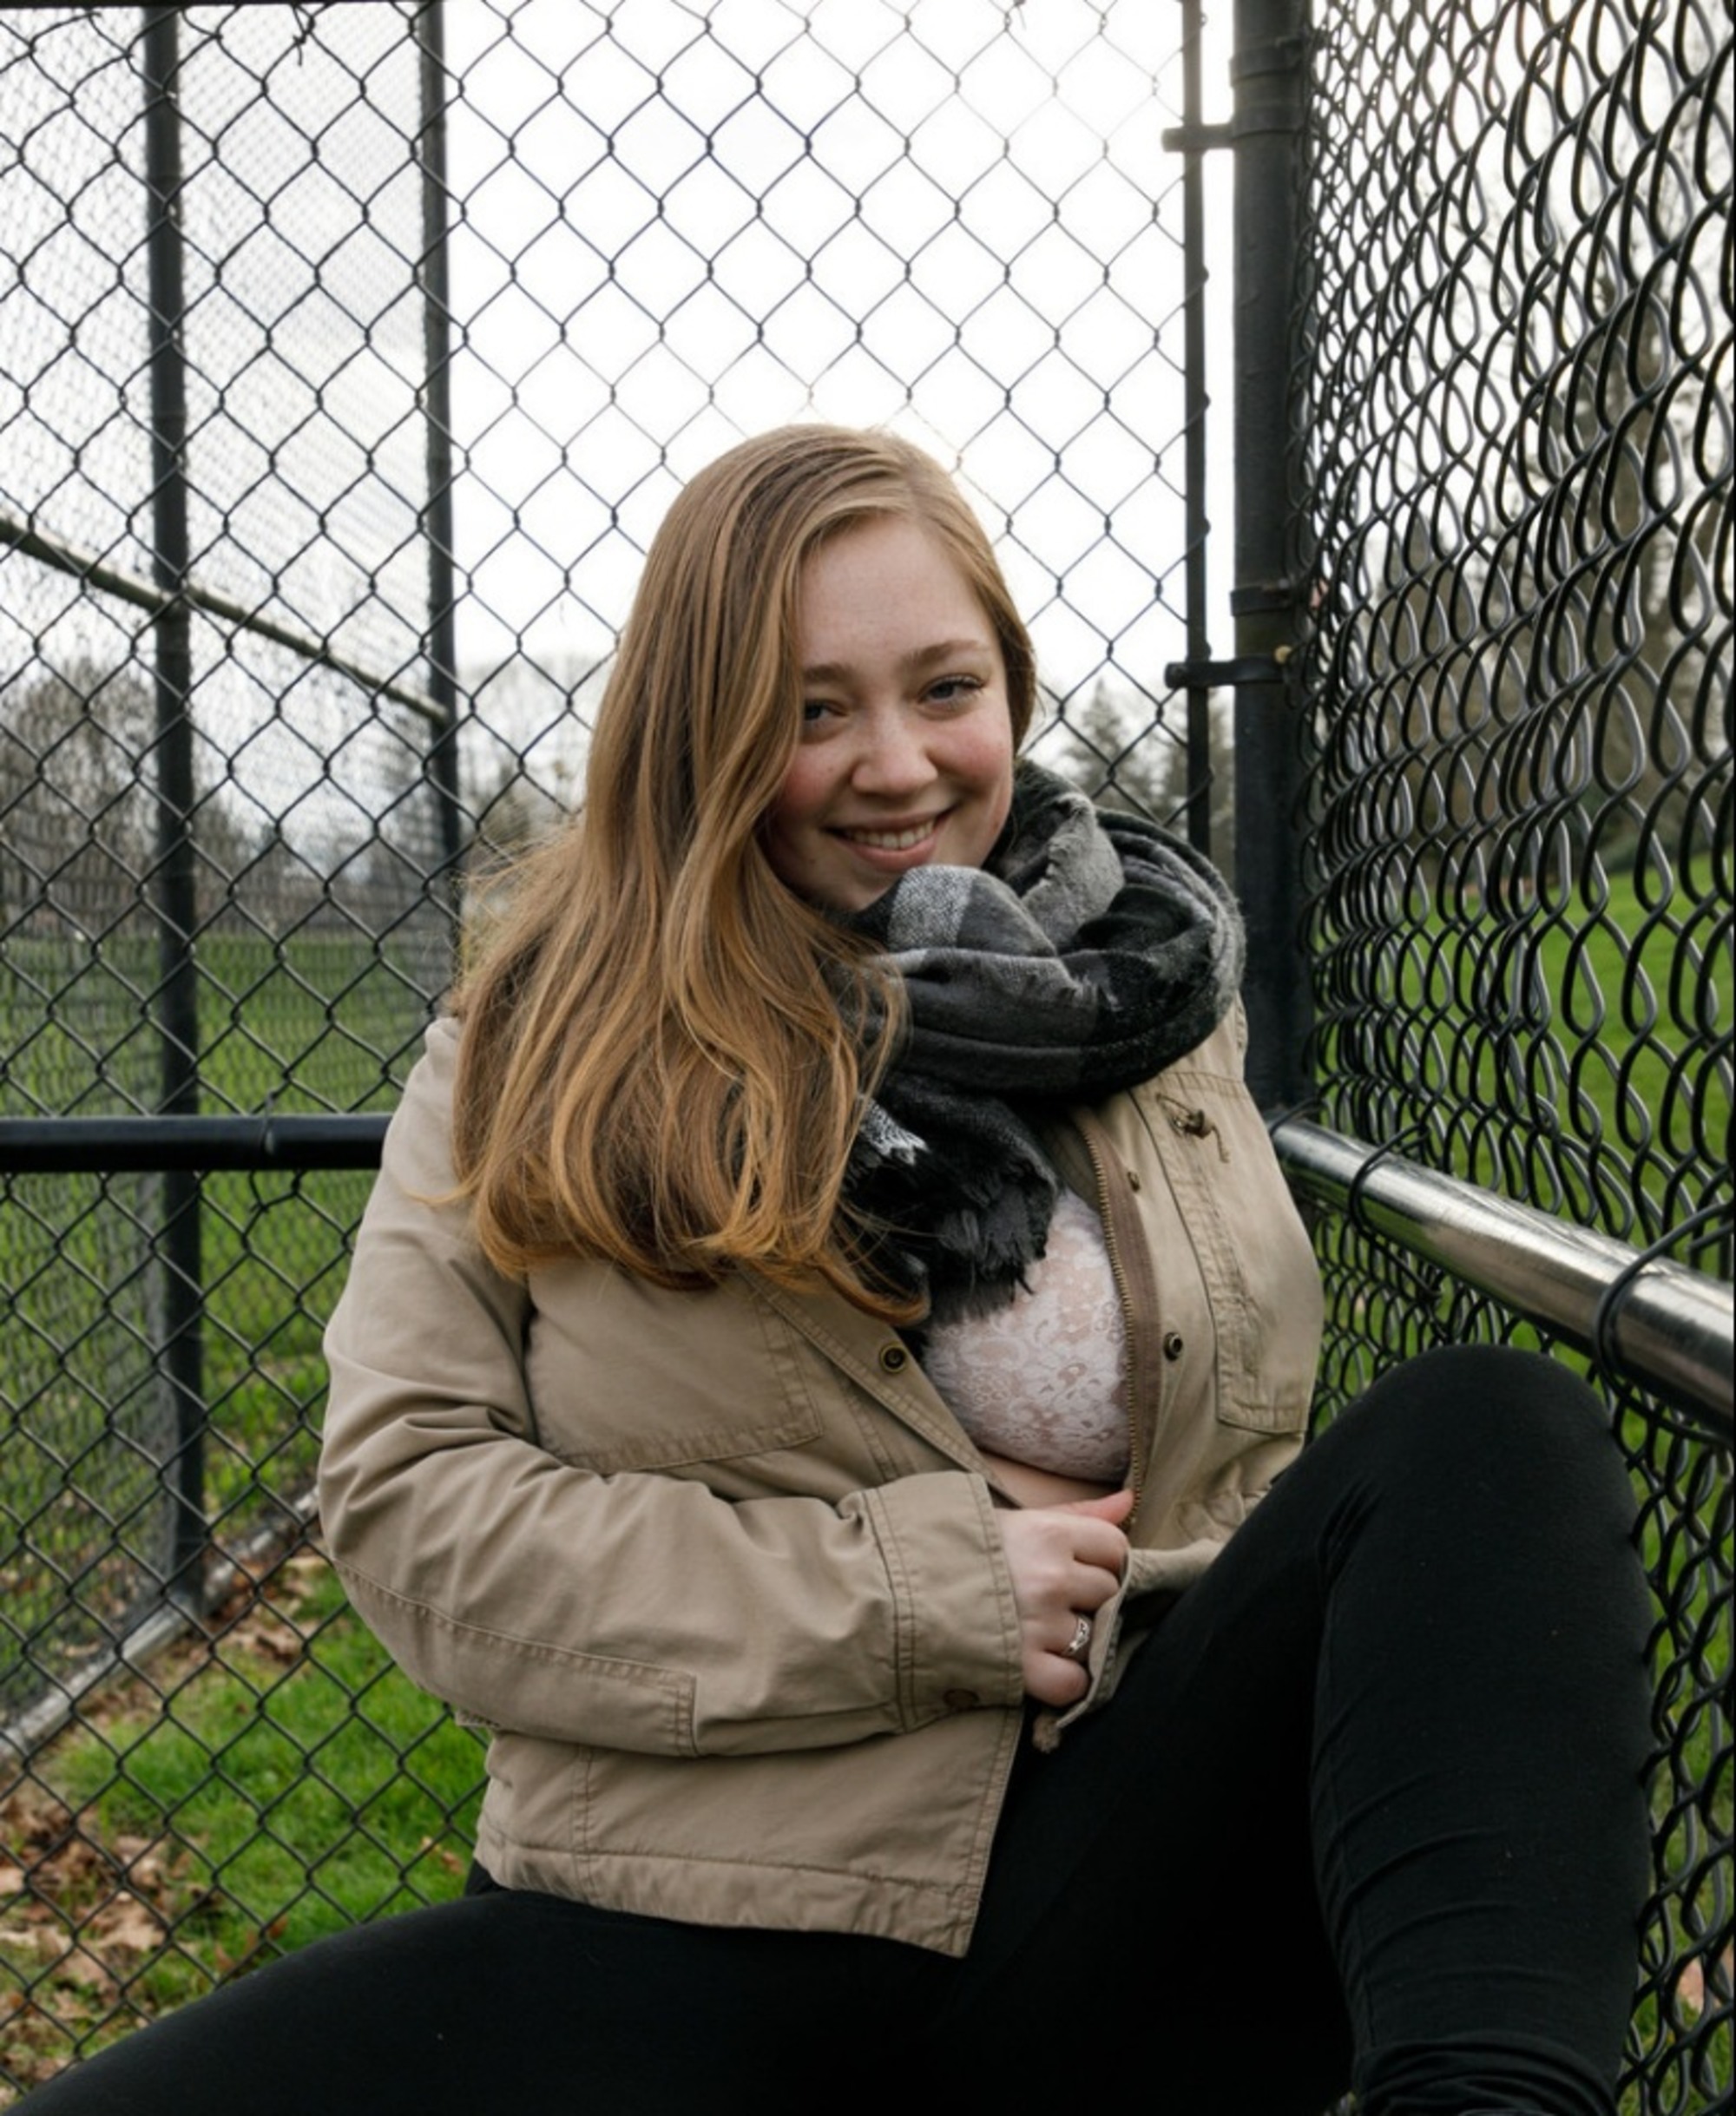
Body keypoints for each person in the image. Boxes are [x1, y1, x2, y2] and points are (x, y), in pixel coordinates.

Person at [21, 426, 1651, 2115]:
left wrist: (1120, 1581)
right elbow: (412, 1504)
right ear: (703, 735)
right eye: (811, 711)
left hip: (1110, 1885)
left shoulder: (1156, 1003)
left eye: (945, 687)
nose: (897, 763)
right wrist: (921, 1590)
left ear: (1008, 688)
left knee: (1491, 1429)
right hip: (681, 1909)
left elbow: (1232, 1489)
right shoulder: (529, 1051)